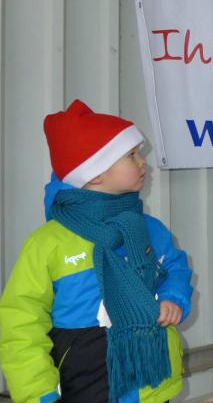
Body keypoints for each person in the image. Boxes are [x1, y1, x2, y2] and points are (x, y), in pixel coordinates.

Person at [0, 100, 193, 403]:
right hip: (85, 384)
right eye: (131, 155)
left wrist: (173, 297)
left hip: (151, 381)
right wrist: (38, 391)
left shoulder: (150, 229)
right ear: (94, 174)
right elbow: (21, 320)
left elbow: (176, 268)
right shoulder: (49, 243)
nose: (143, 162)